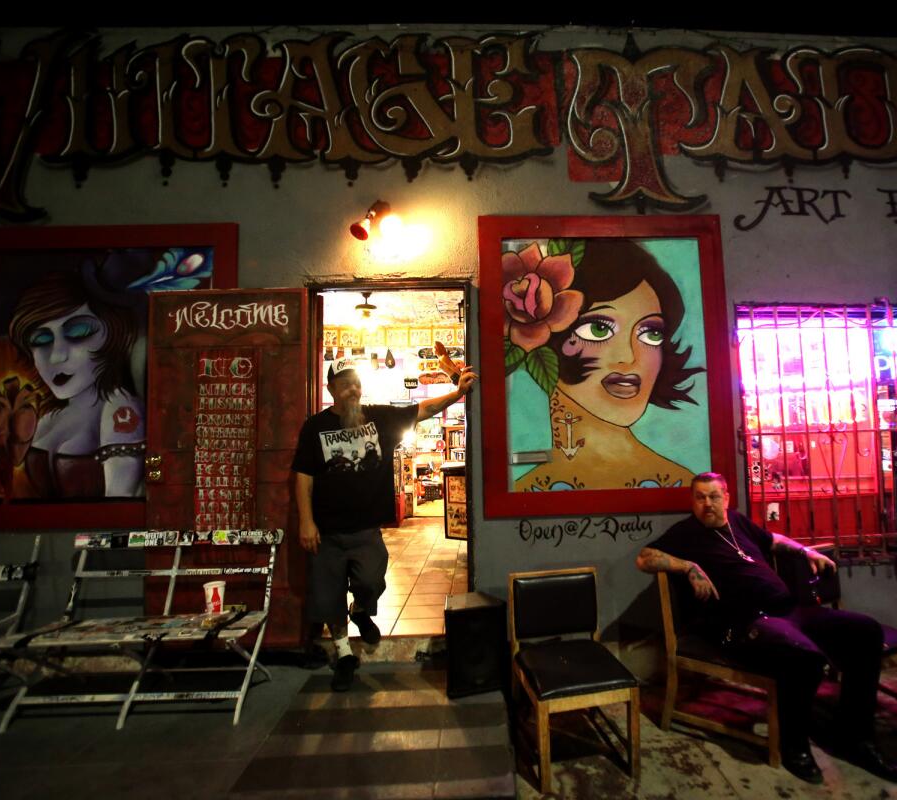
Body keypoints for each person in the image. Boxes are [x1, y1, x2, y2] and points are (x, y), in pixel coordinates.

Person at [635, 472, 897, 785]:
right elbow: (644, 559)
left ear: (726, 498)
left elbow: (774, 540)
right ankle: (794, 745)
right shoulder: (686, 534)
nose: (707, 504)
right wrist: (688, 567)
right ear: (693, 501)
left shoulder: (738, 523)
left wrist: (806, 551)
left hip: (790, 611)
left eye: (714, 496)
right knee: (804, 656)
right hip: (743, 625)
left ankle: (855, 737)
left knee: (865, 631)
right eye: (700, 497)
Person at [293, 357, 477, 691]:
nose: (352, 389)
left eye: (356, 383)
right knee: (329, 596)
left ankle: (361, 610)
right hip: (327, 530)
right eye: (345, 383)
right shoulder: (314, 427)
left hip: (366, 528)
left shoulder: (379, 417)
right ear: (331, 388)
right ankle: (344, 653)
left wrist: (456, 393)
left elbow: (423, 410)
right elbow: (303, 476)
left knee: (371, 580)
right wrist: (306, 521)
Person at [515, 239, 703, 491]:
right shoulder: (527, 489)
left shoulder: (678, 483)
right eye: (598, 328)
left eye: (650, 333)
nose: (628, 356)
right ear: (545, 336)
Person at [0, 269, 145, 498]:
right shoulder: (47, 415)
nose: (56, 356)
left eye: (80, 332)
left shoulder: (119, 410)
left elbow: (119, 504)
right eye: (40, 340)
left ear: (112, 334)